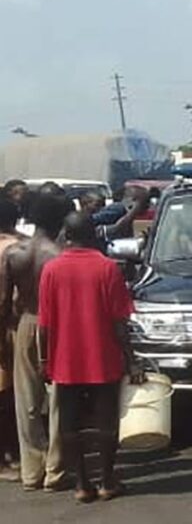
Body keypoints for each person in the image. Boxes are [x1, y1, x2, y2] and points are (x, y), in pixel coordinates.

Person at [39, 212, 141, 503]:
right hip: (104, 357)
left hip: (65, 359)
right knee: (106, 421)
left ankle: (83, 485)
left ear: (65, 236)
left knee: (69, 424)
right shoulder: (108, 268)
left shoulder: (52, 270)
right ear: (93, 234)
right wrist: (131, 359)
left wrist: (45, 361)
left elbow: (45, 324)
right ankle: (108, 481)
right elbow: (120, 322)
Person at [0, 194, 70, 491]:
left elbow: (3, 302)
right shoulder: (60, 255)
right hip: (57, 325)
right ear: (59, 222)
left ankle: (31, 472)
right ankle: (55, 470)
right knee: (58, 400)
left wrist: (4, 338)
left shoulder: (14, 253)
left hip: (24, 322)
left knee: (26, 401)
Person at [0, 198, 23, 482]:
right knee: (10, 394)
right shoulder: (16, 247)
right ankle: (9, 455)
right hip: (11, 325)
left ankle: (8, 454)